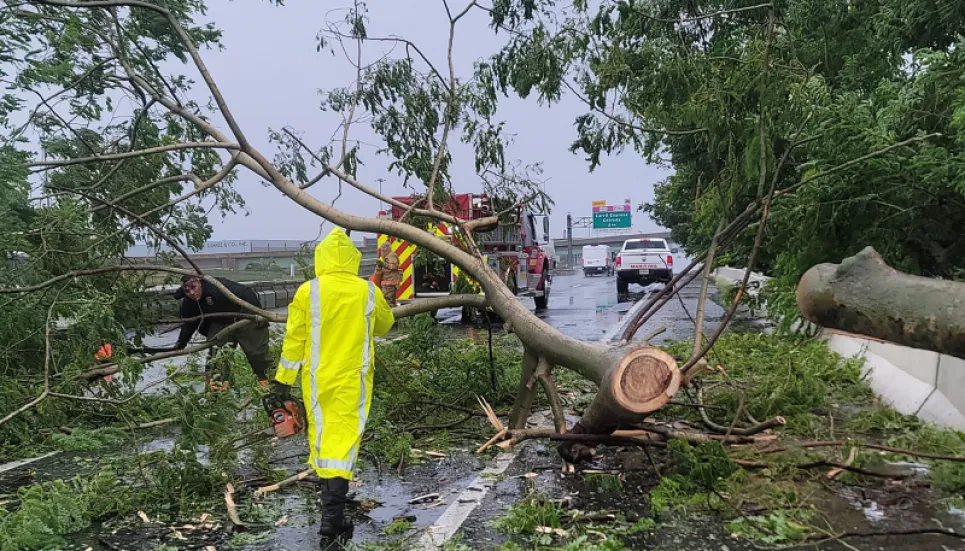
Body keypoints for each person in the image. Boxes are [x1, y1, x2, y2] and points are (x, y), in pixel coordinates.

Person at [271, 228, 394, 547]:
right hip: (354, 379)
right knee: (344, 442)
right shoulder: (366, 292)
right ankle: (332, 518)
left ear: (321, 258)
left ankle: (333, 516)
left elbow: (294, 339)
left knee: (324, 441)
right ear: (352, 259)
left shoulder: (307, 291)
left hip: (317, 381)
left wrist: (282, 382)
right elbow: (385, 325)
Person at [174, 275, 272, 390]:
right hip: (220, 322)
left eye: (193, 288)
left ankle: (267, 382)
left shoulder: (217, 286)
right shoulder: (189, 302)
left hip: (244, 317)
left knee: (256, 352)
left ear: (199, 282)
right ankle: (218, 387)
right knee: (217, 355)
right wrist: (181, 344)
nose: (192, 293)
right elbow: (189, 325)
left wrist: (258, 314)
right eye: (187, 291)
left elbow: (246, 292)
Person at [372, 241, 401, 306]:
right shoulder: (386, 257)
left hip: (389, 284)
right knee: (389, 303)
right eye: (382, 248)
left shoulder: (391, 256)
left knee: (387, 303)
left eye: (384, 247)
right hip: (387, 284)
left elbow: (394, 267)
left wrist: (383, 264)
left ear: (388, 248)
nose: (383, 249)